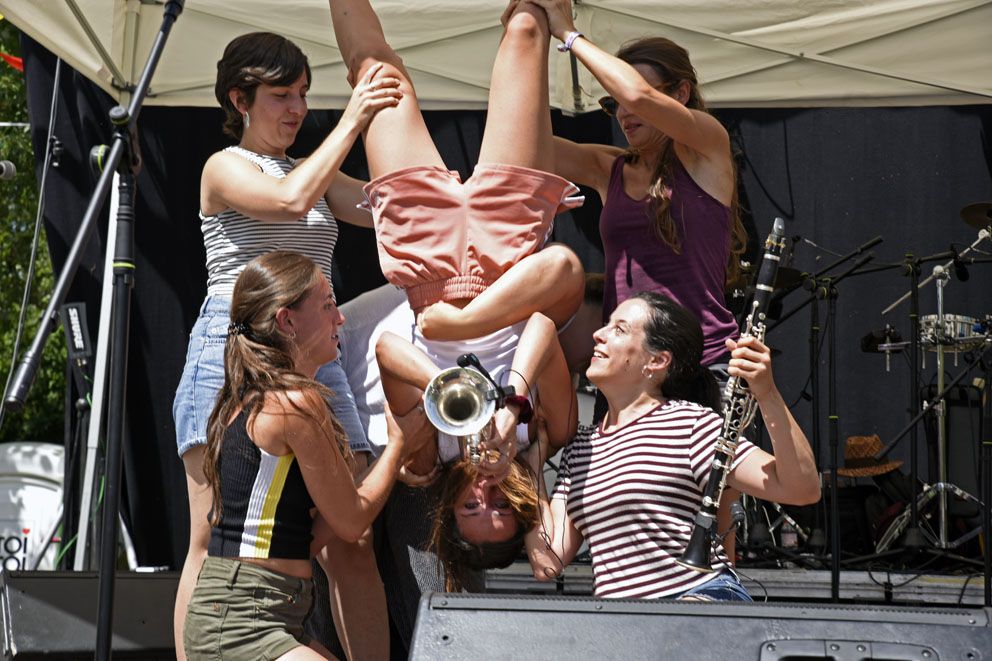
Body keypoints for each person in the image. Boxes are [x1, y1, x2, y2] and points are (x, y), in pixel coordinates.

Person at [172, 31, 401, 660]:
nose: (297, 108)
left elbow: (390, 207)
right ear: (239, 99)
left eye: (303, 93)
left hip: (316, 364)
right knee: (211, 537)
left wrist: (486, 198)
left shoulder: (316, 169)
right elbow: (289, 199)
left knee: (350, 538)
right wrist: (354, 119)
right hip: (231, 354)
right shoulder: (225, 166)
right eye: (281, 94)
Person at [329, 1, 578, 529]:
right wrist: (508, 406)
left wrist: (446, 393)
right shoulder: (552, 432)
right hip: (509, 250)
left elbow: (389, 351)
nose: (486, 494)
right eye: (504, 506)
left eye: (471, 508)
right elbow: (542, 325)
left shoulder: (421, 462)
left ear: (447, 508)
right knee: (529, 31)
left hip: (424, 262)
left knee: (374, 70)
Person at [182, 251, 429, 660]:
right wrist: (399, 445)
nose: (341, 318)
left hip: (258, 612)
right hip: (243, 620)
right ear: (287, 321)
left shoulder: (258, 400)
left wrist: (386, 472)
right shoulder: (294, 406)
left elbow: (307, 538)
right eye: (328, 305)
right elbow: (351, 523)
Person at [525, 292, 820, 600]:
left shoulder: (692, 425)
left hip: (698, 601)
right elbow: (547, 562)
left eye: (619, 329)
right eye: (606, 326)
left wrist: (767, 392)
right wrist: (532, 462)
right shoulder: (580, 449)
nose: (598, 335)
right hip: (626, 626)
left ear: (657, 361)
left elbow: (802, 489)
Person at [523, 0, 748, 382]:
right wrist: (530, 32)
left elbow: (639, 95)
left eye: (627, 101)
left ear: (680, 93)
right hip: (625, 371)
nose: (625, 113)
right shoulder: (608, 168)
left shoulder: (707, 144)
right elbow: (525, 140)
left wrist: (568, 32)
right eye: (614, 104)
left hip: (703, 366)